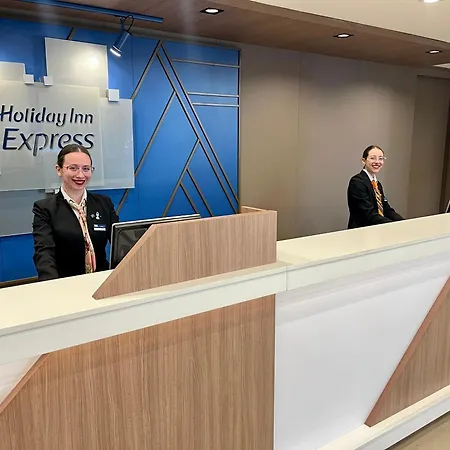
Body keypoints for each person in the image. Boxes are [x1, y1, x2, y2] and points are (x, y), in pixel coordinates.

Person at [32, 144, 119, 281]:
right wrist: (51, 286)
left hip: (102, 281)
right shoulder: (45, 209)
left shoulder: (104, 203)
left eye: (86, 169)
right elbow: (44, 252)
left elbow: (119, 242)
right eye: (73, 168)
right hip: (65, 283)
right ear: (59, 170)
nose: (80, 175)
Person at [347, 145, 404, 229]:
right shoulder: (357, 182)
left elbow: (386, 209)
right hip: (361, 232)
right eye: (373, 158)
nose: (377, 162)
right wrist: (392, 225)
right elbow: (368, 213)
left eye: (380, 158)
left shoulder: (377, 184)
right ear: (364, 161)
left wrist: (403, 222)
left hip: (377, 229)